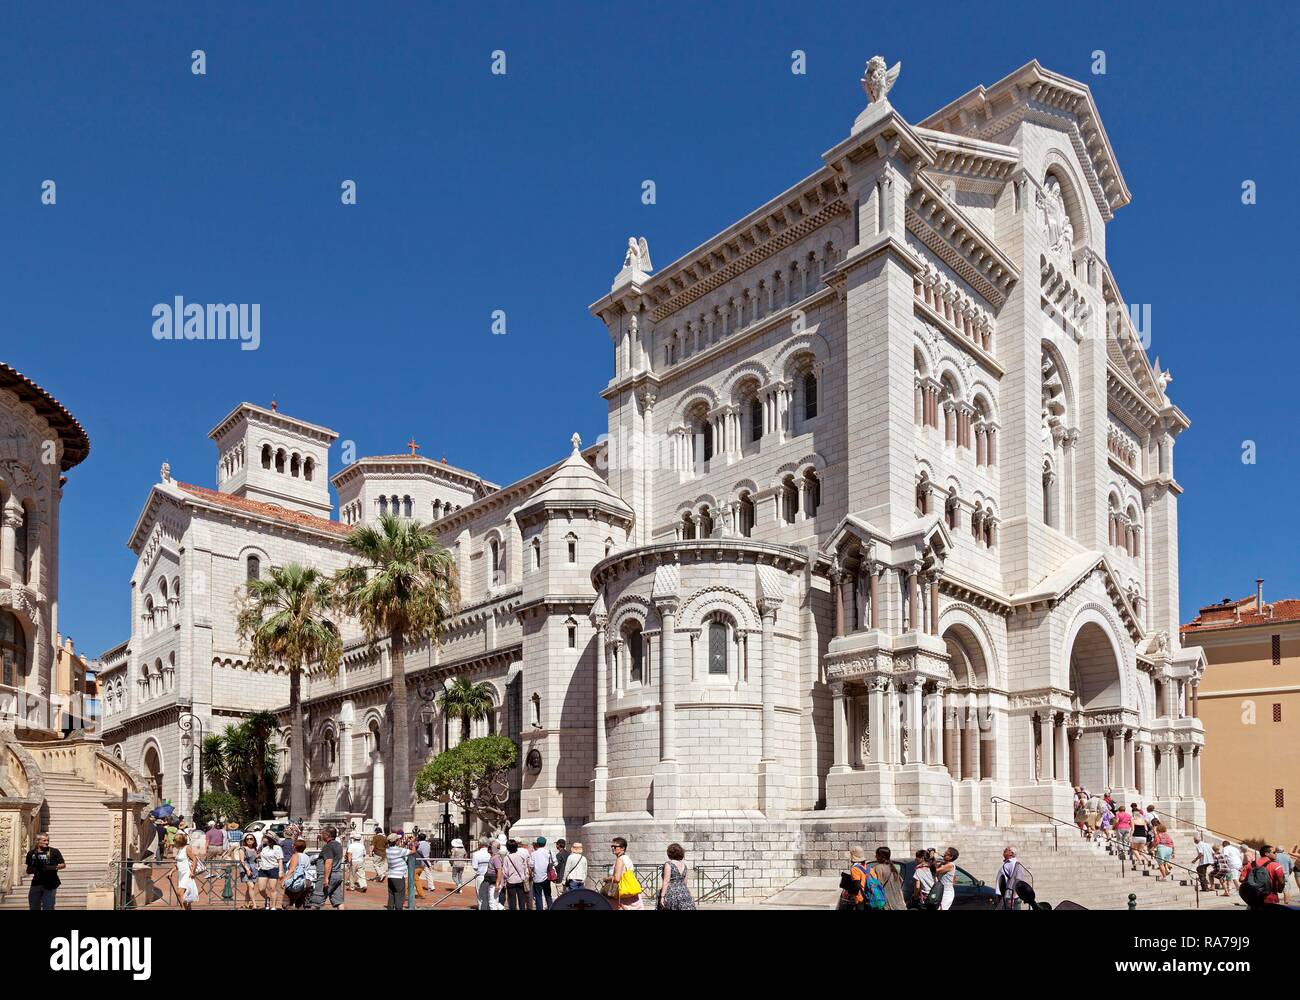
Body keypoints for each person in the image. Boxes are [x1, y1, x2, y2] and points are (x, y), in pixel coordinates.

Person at [25, 833, 66, 911]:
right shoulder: (31, 853)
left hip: (51, 883)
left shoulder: (54, 851)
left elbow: (63, 865)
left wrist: (51, 867)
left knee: (48, 907)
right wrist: (35, 869)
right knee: (33, 906)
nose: (47, 842)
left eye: (48, 840)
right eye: (44, 840)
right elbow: (28, 869)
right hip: (36, 883)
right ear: (37, 841)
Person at [314, 826, 346, 910]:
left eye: (322, 833)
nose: (321, 834)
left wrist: (325, 878)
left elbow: (329, 862)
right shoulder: (338, 845)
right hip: (338, 875)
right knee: (338, 900)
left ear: (327, 835)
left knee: (317, 899)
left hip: (329, 876)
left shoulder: (328, 846)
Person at [658, 843, 696, 910]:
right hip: (684, 893)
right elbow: (685, 882)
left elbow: (666, 881)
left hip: (671, 893)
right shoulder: (684, 866)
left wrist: (662, 896)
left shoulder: (668, 864)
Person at [868, 846, 906, 910]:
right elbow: (900, 885)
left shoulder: (878, 868)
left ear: (881, 856)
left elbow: (875, 886)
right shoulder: (893, 867)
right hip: (899, 904)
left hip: (887, 905)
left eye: (877, 855)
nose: (875, 857)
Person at [497, 839, 531, 911]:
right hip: (520, 880)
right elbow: (525, 868)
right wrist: (525, 877)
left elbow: (505, 872)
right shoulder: (521, 856)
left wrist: (503, 882)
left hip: (511, 881)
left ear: (508, 848)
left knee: (512, 901)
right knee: (522, 900)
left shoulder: (507, 858)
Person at [611, 837, 643, 910]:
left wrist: (606, 878)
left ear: (622, 848)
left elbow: (617, 878)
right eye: (612, 846)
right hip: (631, 893)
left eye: (615, 846)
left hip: (622, 894)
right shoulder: (627, 858)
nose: (613, 848)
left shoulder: (620, 859)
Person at [838, 845, 871, 911]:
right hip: (869, 896)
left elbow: (857, 886)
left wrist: (849, 891)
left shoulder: (854, 869)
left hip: (860, 898)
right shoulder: (868, 868)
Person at [282, 838, 312, 909]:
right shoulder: (306, 857)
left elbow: (292, 869)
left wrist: (284, 880)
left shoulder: (295, 856)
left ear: (295, 847)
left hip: (295, 882)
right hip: (306, 882)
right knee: (300, 903)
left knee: (286, 904)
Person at [256, 834, 283, 909]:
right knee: (261, 888)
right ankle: (267, 898)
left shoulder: (277, 848)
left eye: (264, 837)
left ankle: (273, 906)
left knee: (272, 888)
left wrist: (280, 871)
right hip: (263, 869)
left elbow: (280, 859)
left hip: (273, 868)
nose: (262, 838)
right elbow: (261, 856)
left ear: (269, 839)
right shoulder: (264, 848)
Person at [385, 833, 410, 910]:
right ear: (396, 841)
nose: (400, 840)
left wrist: (405, 843)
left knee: (391, 895)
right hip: (398, 876)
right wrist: (412, 844)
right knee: (399, 895)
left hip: (391, 876)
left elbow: (398, 850)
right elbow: (413, 851)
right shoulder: (399, 851)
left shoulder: (388, 850)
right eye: (398, 840)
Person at [531, 836, 554, 911]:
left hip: (537, 877)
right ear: (545, 844)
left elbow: (531, 865)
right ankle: (551, 908)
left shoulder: (534, 854)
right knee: (548, 895)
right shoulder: (549, 852)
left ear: (537, 844)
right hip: (547, 877)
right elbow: (554, 863)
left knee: (538, 896)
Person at [471, 839, 494, 909]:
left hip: (480, 876)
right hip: (492, 877)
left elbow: (475, 867)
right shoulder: (491, 853)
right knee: (491, 896)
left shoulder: (476, 854)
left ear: (480, 844)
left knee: (481, 896)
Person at [238, 833, 259, 909]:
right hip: (245, 868)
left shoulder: (255, 849)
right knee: (251, 886)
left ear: (254, 840)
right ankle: (254, 904)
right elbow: (242, 860)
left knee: (249, 888)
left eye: (251, 839)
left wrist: (258, 857)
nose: (249, 840)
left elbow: (255, 859)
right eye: (247, 839)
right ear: (245, 840)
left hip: (254, 869)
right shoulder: (242, 848)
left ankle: (246, 903)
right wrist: (247, 870)